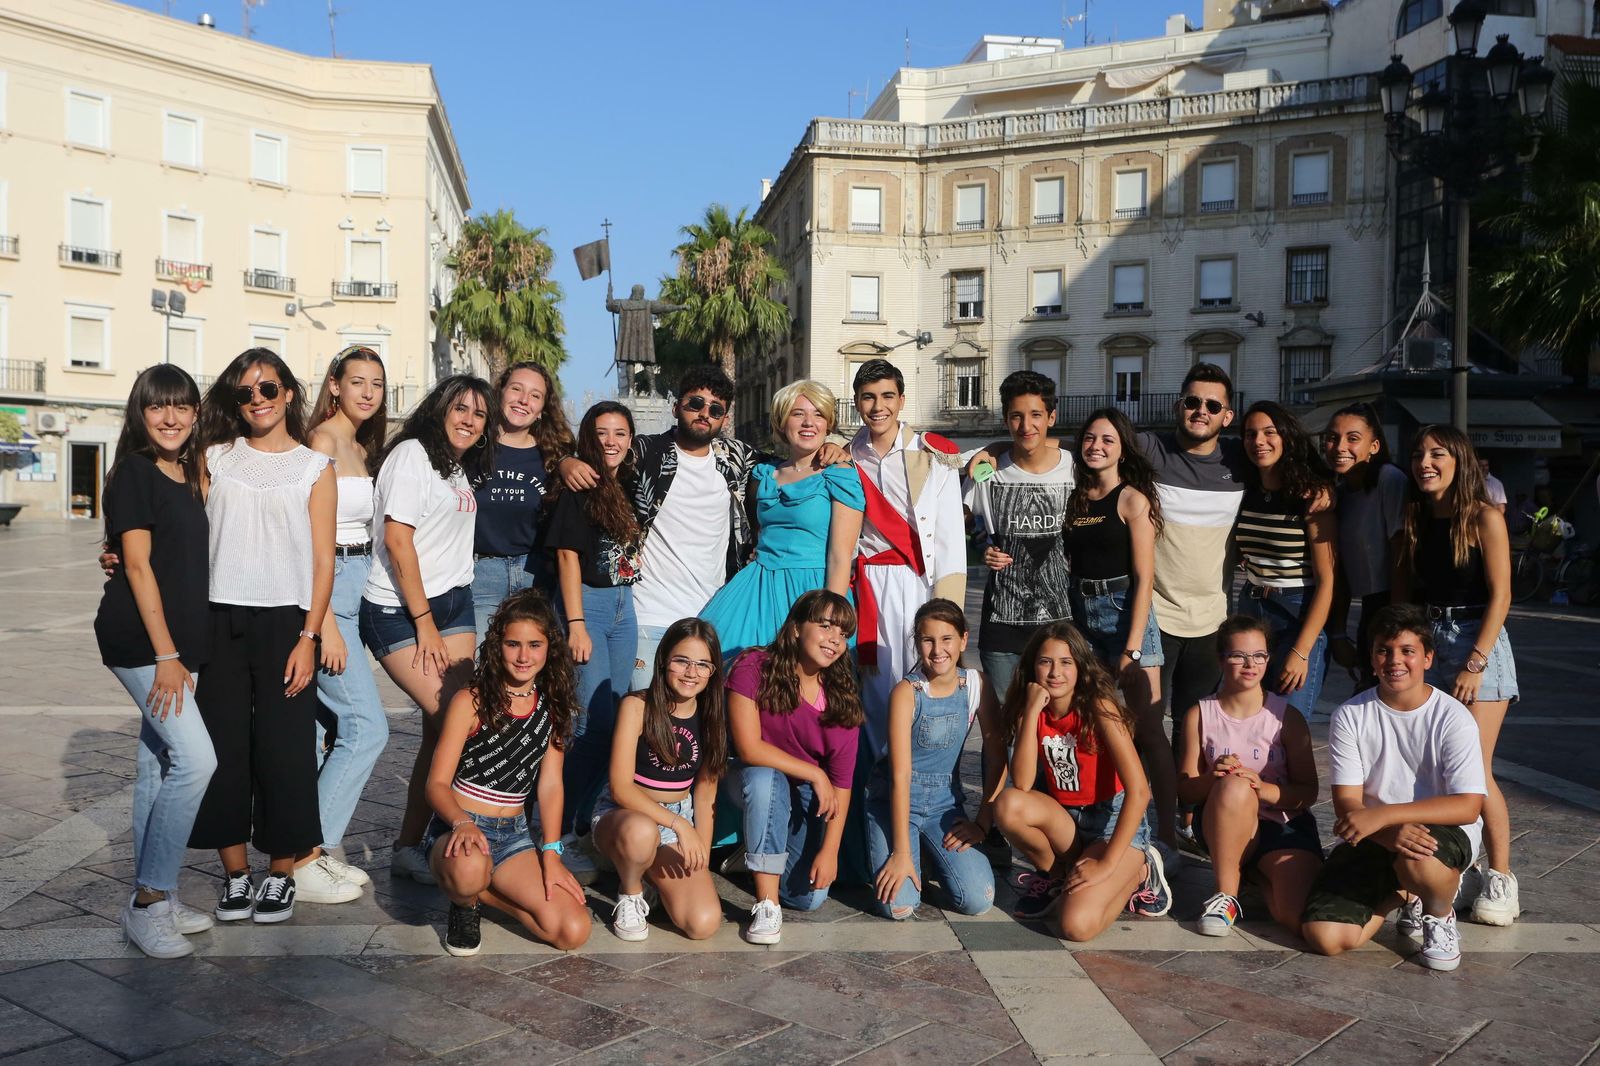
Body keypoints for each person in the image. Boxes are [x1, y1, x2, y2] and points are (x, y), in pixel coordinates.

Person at [189, 348, 344, 923]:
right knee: (221, 749)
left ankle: (282, 873)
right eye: (246, 393)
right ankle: (235, 875)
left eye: (268, 389)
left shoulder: (313, 468)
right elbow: (185, 535)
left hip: (286, 623)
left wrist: (309, 636)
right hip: (219, 617)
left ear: (289, 395)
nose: (258, 400)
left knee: (285, 752)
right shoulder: (214, 458)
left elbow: (324, 564)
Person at [95, 365, 218, 957]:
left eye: (181, 406)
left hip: (176, 644)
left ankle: (155, 899)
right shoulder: (135, 473)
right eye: (157, 407)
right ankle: (149, 900)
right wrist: (167, 655)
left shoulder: (188, 473)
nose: (170, 418)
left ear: (195, 413)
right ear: (139, 414)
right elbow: (138, 567)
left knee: (156, 767)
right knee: (196, 760)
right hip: (143, 643)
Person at [1300, 604, 1486, 971]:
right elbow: (1346, 804)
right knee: (1326, 938)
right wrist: (1387, 831)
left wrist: (1387, 815)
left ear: (1427, 658)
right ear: (1372, 658)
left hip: (1440, 834)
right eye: (1384, 650)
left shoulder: (1453, 718)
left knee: (1420, 860)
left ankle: (1439, 913)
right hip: (1372, 835)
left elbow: (1468, 806)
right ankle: (1402, 893)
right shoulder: (1350, 716)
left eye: (1407, 651)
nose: (1394, 660)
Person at [361, 375, 492, 885]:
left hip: (455, 603)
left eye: (478, 414)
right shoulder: (412, 455)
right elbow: (397, 540)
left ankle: (413, 845)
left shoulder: (459, 468)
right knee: (455, 719)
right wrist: (423, 625)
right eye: (459, 409)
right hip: (400, 609)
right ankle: (450, 836)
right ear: (439, 410)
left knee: (444, 727)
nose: (468, 420)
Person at [1395, 425, 1520, 926]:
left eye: (1437, 454)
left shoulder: (1485, 518)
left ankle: (1502, 877)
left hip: (1477, 641)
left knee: (1475, 769)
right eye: (1418, 453)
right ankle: (1456, 869)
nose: (1425, 461)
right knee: (1435, 767)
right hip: (1428, 637)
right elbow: (1403, 595)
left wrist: (1475, 662)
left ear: (1459, 461)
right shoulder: (1415, 520)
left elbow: (1502, 596)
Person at [424, 589, 591, 955]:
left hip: (512, 836)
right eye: (513, 644)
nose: (523, 655)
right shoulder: (471, 701)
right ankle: (465, 901)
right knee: (469, 869)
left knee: (572, 930)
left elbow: (550, 787)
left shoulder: (554, 708)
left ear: (550, 648)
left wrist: (551, 852)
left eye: (534, 644)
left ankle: (482, 893)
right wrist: (461, 823)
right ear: (499, 645)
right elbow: (436, 784)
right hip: (460, 827)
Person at [990, 622, 1172, 939]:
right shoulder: (1030, 710)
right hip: (1068, 821)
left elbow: (1140, 791)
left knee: (1076, 925)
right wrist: (1031, 712)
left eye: (1065, 662)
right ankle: (1057, 875)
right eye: (1045, 662)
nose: (1055, 672)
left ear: (1080, 667)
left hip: (1111, 822)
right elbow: (1020, 783)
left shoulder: (1099, 707)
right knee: (1008, 804)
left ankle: (1143, 869)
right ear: (1032, 666)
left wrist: (1106, 865)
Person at [724, 590, 864, 944]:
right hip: (750, 777)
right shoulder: (754, 666)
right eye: (825, 625)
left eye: (844, 633)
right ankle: (766, 903)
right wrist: (814, 773)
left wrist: (829, 851)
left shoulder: (842, 698)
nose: (835, 638)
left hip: (801, 796)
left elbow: (842, 785)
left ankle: (756, 852)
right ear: (797, 628)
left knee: (808, 898)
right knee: (766, 780)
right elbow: (749, 747)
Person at [1063, 406, 1173, 852]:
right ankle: (1108, 824)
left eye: (1107, 439)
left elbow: (1145, 579)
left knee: (1148, 730)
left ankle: (1167, 834)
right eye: (1090, 438)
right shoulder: (1076, 498)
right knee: (1102, 727)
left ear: (1122, 448)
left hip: (1127, 612)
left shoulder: (1133, 500)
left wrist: (1131, 649)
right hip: (1083, 614)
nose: (1096, 446)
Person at [846, 359, 967, 757]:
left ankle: (924, 776)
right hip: (868, 584)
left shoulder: (934, 454)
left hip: (918, 581)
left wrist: (949, 609)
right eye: (868, 397)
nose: (878, 406)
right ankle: (880, 778)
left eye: (886, 396)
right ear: (857, 402)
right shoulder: (847, 455)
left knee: (923, 677)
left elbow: (950, 535)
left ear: (901, 400)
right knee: (875, 685)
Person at [304, 345, 390, 895]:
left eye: (376, 384)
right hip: (331, 588)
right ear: (334, 385)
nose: (367, 391)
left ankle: (312, 852)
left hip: (359, 583)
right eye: (357, 381)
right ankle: (308, 853)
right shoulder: (321, 442)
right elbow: (310, 540)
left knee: (324, 728)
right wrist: (326, 624)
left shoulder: (361, 445)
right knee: (366, 726)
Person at [1178, 616, 1321, 936]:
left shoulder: (1286, 717)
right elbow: (1186, 792)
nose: (1250, 664)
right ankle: (1226, 894)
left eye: (1259, 655)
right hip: (1223, 821)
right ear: (1220, 659)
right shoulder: (1200, 714)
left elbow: (1308, 792)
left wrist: (1263, 787)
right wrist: (1213, 778)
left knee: (1293, 916)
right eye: (1238, 655)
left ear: (1268, 659)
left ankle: (1252, 878)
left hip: (1283, 824)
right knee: (1234, 787)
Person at [701, 381, 865, 658]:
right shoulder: (762, 475)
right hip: (757, 588)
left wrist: (830, 616)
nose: (808, 423)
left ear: (828, 424)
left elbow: (840, 556)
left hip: (812, 589)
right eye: (797, 413)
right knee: (723, 658)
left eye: (818, 415)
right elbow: (756, 531)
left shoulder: (840, 475)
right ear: (781, 422)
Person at [544, 401, 644, 852]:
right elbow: (567, 555)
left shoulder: (628, 483)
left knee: (619, 717)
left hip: (626, 606)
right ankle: (557, 825)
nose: (611, 441)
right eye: (602, 432)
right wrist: (576, 624)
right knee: (590, 725)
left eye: (620, 433)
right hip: (589, 605)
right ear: (589, 437)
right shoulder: (579, 485)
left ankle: (585, 816)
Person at [592, 618, 728, 942]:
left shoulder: (711, 718)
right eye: (681, 661)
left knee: (703, 923)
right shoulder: (637, 706)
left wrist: (701, 860)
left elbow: (706, 797)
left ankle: (651, 877)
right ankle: (630, 892)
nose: (691, 672)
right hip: (625, 814)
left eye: (702, 664)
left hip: (676, 816)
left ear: (713, 670)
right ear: (664, 660)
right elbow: (620, 787)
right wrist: (680, 826)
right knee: (641, 832)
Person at [864, 599, 997, 920]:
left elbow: (995, 751)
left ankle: (929, 850)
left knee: (978, 900)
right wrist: (900, 853)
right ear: (917, 644)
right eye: (928, 640)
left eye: (947, 639)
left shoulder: (977, 685)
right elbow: (899, 776)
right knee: (900, 907)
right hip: (894, 804)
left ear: (964, 639)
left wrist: (982, 822)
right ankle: (911, 848)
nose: (938, 650)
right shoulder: (907, 693)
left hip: (943, 807)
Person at [962, 370, 1075, 699]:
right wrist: (983, 546)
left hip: (1061, 624)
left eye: (1036, 415)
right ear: (1006, 419)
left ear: (1051, 417)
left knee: (1055, 729)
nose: (1027, 426)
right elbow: (960, 525)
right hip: (1002, 624)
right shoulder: (988, 471)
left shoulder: (1075, 467)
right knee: (1003, 728)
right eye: (1017, 416)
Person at [1235, 400, 1336, 719]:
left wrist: (1302, 650)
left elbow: (1327, 581)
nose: (1259, 441)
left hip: (1296, 613)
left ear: (1287, 437)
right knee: (1253, 717)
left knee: (1290, 722)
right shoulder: (1245, 489)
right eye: (1250, 434)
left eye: (1269, 432)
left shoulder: (1310, 495)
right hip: (1251, 609)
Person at [473, 363, 572, 639]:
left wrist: (567, 461)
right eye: (516, 389)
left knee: (530, 669)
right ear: (500, 392)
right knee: (479, 669)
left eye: (535, 395)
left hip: (535, 576)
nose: (523, 400)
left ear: (542, 409)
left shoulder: (554, 458)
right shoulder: (471, 447)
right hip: (480, 576)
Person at [1323, 402, 1408, 689]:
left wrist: (1396, 624)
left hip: (1394, 605)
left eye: (1353, 438)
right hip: (1371, 609)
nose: (1339, 446)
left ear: (1374, 446)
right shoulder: (1341, 491)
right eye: (1333, 437)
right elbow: (1341, 570)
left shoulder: (1389, 479)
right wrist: (1337, 632)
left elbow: (1401, 555)